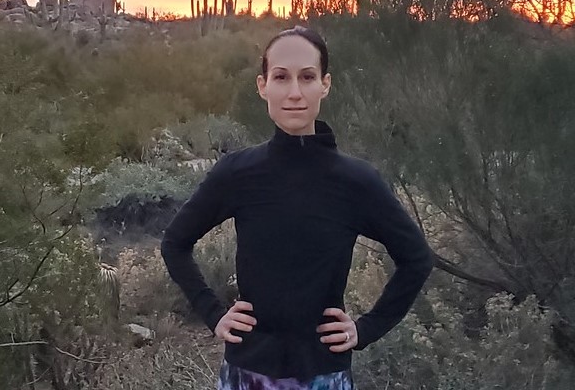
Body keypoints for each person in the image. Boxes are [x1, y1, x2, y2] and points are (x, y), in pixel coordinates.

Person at [161, 26, 434, 389]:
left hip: (323, 375)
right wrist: (214, 314)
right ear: (263, 86)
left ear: (326, 84)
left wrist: (365, 329)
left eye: (307, 77)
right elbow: (175, 243)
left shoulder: (355, 181)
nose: (294, 93)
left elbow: (417, 258)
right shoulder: (238, 172)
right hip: (247, 373)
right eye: (281, 77)